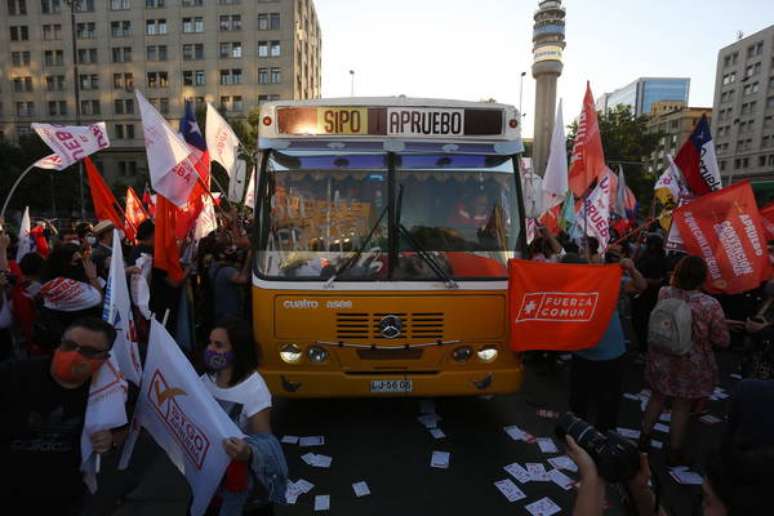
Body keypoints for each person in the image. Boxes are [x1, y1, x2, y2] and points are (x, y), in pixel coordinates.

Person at [0, 317, 126, 515]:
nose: (75, 355)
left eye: (88, 352)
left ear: (104, 359)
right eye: (69, 345)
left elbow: (127, 427)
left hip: (65, 496)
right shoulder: (14, 375)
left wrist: (111, 440)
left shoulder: (108, 392)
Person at [639, 255, 730, 466]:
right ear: (702, 278)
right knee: (681, 406)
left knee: (657, 397)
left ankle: (644, 439)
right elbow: (722, 339)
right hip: (690, 363)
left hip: (661, 357)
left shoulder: (664, 293)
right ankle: (674, 451)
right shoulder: (709, 304)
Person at [201, 316, 287, 515]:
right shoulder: (205, 381)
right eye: (210, 342)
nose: (211, 349)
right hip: (209, 487)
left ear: (237, 351)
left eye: (219, 345)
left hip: (243, 496)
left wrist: (247, 452)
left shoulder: (254, 388)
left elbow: (266, 443)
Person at [566, 252, 647, 432]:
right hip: (583, 354)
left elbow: (641, 286)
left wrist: (632, 269)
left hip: (610, 354)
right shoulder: (568, 286)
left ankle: (603, 442)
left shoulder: (608, 282)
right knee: (579, 403)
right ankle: (580, 439)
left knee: (607, 405)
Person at [631, 234, 668, 356]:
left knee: (645, 322)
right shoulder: (645, 255)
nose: (647, 245)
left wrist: (642, 280)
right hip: (640, 294)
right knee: (639, 322)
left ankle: (645, 349)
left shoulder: (660, 259)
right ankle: (643, 347)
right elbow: (633, 263)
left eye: (649, 243)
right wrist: (638, 245)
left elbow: (661, 280)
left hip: (650, 295)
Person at [209, 241, 253, 322]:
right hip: (230, 315)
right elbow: (243, 279)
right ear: (221, 255)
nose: (233, 252)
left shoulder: (215, 267)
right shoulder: (227, 270)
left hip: (221, 312)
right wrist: (249, 257)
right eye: (229, 251)